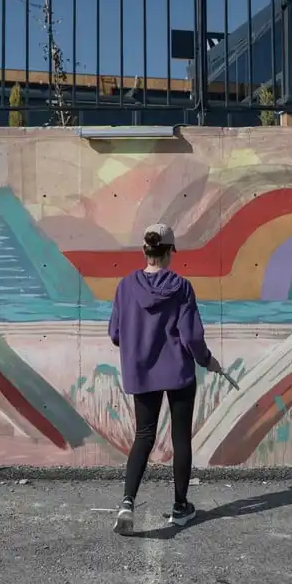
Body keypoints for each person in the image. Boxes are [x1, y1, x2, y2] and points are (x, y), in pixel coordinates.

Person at [107, 223, 222, 535]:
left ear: (145, 251)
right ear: (170, 251)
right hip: (179, 373)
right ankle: (180, 507)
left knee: (144, 436)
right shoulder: (181, 287)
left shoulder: (126, 286)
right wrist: (207, 360)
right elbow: (191, 337)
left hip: (142, 372)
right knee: (180, 438)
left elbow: (116, 334)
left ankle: (127, 503)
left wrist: (139, 342)